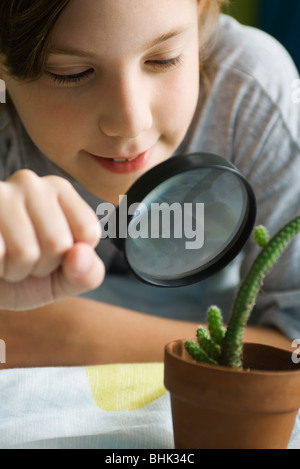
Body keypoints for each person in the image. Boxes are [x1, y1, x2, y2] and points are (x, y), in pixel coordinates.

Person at [0, 0, 299, 369]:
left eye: (164, 59)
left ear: (203, 13)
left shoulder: (252, 91)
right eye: (72, 72)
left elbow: (294, 343)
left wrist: (67, 334)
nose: (132, 122)